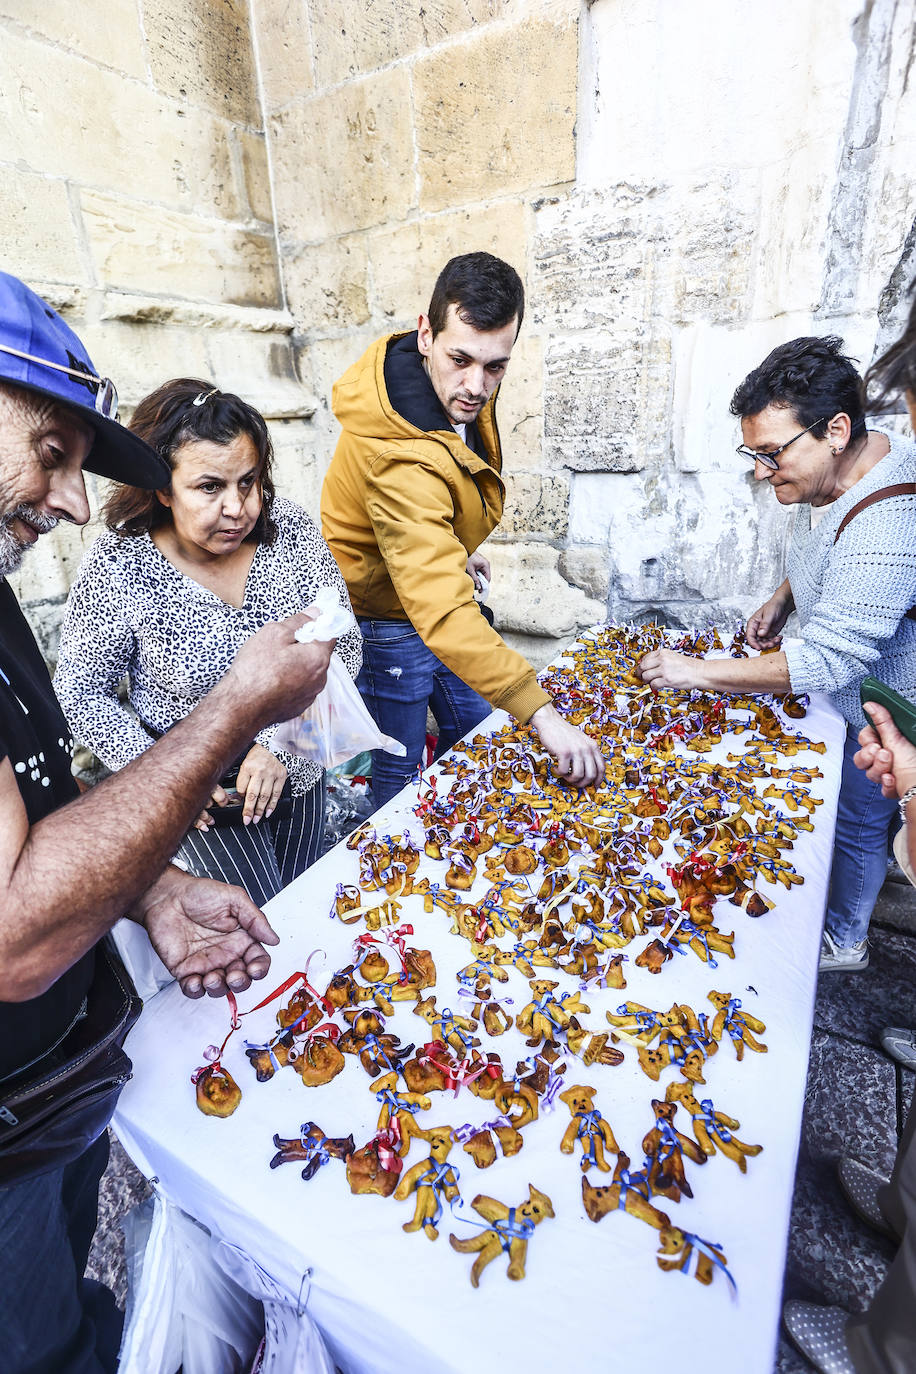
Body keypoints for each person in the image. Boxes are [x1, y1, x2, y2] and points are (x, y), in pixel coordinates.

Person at [0, 273, 334, 1374]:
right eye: (51, 453)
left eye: (248, 483)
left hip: (50, 1086)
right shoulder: (119, 577)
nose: (69, 501)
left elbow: (43, 788)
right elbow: (14, 936)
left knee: (77, 1309)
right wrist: (220, 727)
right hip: (8, 1118)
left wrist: (156, 888)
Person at [638, 335, 916, 972]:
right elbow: (828, 542)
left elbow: (829, 658)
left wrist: (699, 673)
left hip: (888, 709)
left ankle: (845, 941)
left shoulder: (891, 519)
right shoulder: (829, 476)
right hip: (851, 699)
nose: (762, 473)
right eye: (753, 454)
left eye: (770, 454)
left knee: (860, 821)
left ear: (836, 430)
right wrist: (783, 598)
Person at [55, 379, 362, 908]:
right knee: (257, 935)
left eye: (248, 482)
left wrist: (283, 745)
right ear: (161, 487)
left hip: (300, 770)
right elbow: (81, 692)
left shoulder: (288, 530)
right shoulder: (120, 565)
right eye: (209, 487)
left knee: (310, 908)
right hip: (204, 802)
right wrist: (171, 779)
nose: (237, 508)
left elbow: (344, 642)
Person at [320, 251, 606, 806]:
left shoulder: (437, 381)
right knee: (398, 777)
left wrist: (452, 549)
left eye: (495, 366)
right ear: (426, 334)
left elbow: (440, 495)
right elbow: (441, 607)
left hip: (429, 594)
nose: (476, 385)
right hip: (389, 621)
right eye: (462, 360)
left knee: (479, 738)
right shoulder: (396, 456)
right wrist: (543, 714)